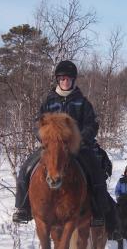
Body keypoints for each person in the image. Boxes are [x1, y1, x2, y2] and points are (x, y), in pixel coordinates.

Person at [12, 60, 111, 226]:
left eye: (69, 79)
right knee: (26, 168)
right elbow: (38, 123)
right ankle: (22, 208)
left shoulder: (82, 102)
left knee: (96, 172)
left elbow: (92, 125)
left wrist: (79, 138)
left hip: (78, 148)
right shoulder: (49, 101)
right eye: (62, 78)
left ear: (73, 80)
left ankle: (98, 210)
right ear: (58, 80)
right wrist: (45, 138)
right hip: (52, 148)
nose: (65, 81)